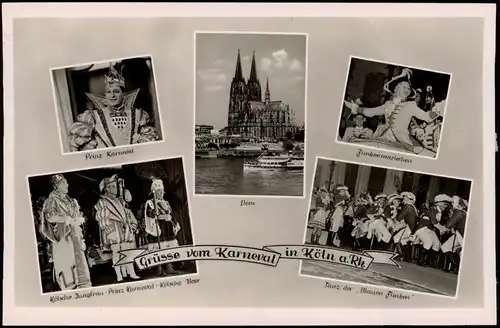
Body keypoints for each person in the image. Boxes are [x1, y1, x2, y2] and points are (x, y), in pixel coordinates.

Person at [344, 68, 444, 153]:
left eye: (409, 89)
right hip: (384, 137)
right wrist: (356, 108)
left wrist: (440, 108)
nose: (407, 90)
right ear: (396, 89)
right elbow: (370, 112)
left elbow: (426, 117)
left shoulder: (411, 105)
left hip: (402, 142)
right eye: (404, 87)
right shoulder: (388, 104)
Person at [68, 62, 160, 152]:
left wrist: (140, 140)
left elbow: (151, 142)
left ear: (123, 94)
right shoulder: (92, 117)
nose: (112, 96)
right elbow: (74, 142)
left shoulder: (138, 115)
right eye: (108, 92)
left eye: (116, 91)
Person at [40, 174, 92, 290]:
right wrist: (65, 219)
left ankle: (82, 287)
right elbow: (50, 216)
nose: (67, 185)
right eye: (64, 183)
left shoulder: (72, 201)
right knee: (67, 265)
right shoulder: (51, 200)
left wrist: (79, 224)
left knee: (79, 265)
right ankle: (68, 290)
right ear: (57, 185)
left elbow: (78, 217)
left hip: (76, 237)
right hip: (63, 238)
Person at [95, 174, 140, 282]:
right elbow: (102, 218)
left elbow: (127, 214)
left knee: (127, 252)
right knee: (116, 254)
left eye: (115, 186)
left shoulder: (120, 200)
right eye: (113, 186)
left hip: (125, 230)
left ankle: (131, 272)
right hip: (114, 230)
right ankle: (119, 275)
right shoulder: (102, 202)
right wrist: (110, 232)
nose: (115, 189)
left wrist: (131, 226)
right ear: (106, 189)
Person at [144, 179, 182, 276]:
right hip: (158, 228)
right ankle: (159, 268)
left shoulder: (166, 203)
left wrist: (175, 222)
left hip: (167, 228)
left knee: (168, 247)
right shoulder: (150, 203)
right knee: (158, 248)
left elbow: (171, 214)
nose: (161, 193)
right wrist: (155, 214)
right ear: (154, 192)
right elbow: (149, 214)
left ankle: (169, 266)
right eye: (158, 191)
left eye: (162, 191)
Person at [441, 196, 468, 273]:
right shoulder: (463, 212)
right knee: (445, 247)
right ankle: (453, 267)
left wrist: (443, 229)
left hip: (462, 235)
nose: (452, 204)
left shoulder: (458, 212)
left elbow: (449, 224)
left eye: (453, 202)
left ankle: (456, 267)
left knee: (447, 247)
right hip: (459, 234)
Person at [393, 192, 419, 262]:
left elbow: (399, 218)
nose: (403, 199)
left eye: (405, 198)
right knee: (403, 240)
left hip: (410, 228)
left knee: (396, 238)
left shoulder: (407, 206)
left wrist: (396, 209)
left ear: (408, 199)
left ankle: (399, 254)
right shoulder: (413, 207)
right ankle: (407, 257)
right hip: (414, 228)